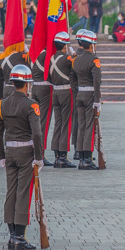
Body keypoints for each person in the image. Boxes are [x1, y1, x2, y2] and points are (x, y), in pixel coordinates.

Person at [0, 64, 44, 250]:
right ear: (27, 84)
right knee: (23, 193)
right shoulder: (31, 105)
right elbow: (37, 134)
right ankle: (19, 237)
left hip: (9, 152)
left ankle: (11, 234)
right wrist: (39, 157)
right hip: (26, 153)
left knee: (11, 192)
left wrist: (1, 155)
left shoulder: (2, 103)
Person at [46, 33, 77, 168]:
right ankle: (63, 156)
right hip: (66, 91)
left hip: (56, 91)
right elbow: (78, 68)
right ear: (65, 45)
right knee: (66, 123)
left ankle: (57, 153)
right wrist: (74, 55)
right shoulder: (67, 59)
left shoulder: (51, 57)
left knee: (58, 122)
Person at [72, 31, 101, 170]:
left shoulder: (76, 59)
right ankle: (87, 159)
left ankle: (81, 157)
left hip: (79, 94)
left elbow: (73, 79)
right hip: (90, 95)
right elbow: (97, 82)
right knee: (89, 126)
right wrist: (97, 100)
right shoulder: (94, 60)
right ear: (91, 45)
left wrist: (77, 92)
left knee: (81, 125)